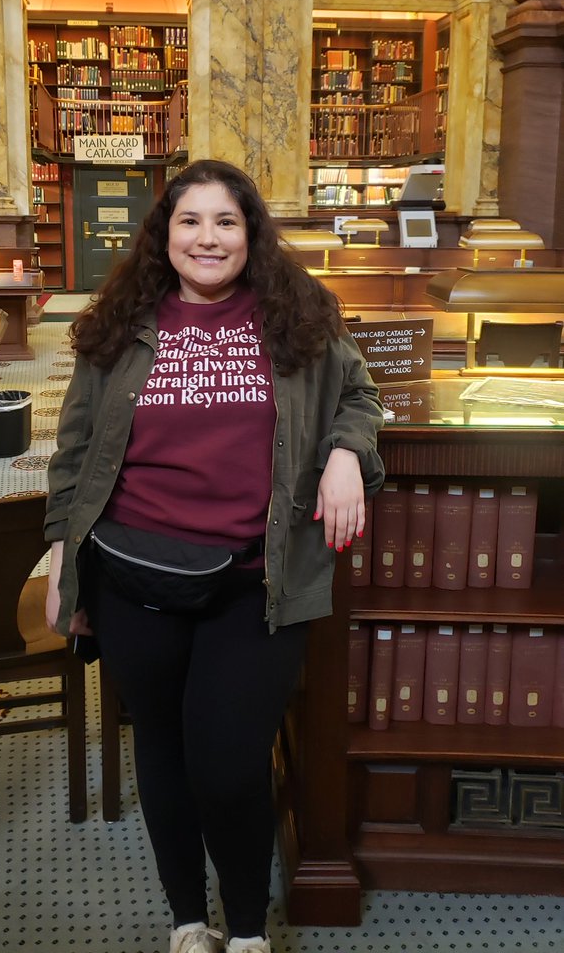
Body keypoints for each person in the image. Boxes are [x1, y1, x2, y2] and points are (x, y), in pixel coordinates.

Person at [45, 159, 384, 953]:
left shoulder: (300, 316)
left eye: (225, 221)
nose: (207, 238)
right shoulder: (116, 325)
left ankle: (246, 929)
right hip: (132, 574)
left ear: (250, 233)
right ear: (162, 234)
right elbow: (74, 451)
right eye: (189, 221)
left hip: (256, 582)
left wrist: (345, 452)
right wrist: (62, 555)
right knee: (162, 752)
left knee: (228, 765)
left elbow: (359, 397)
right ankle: (187, 920)